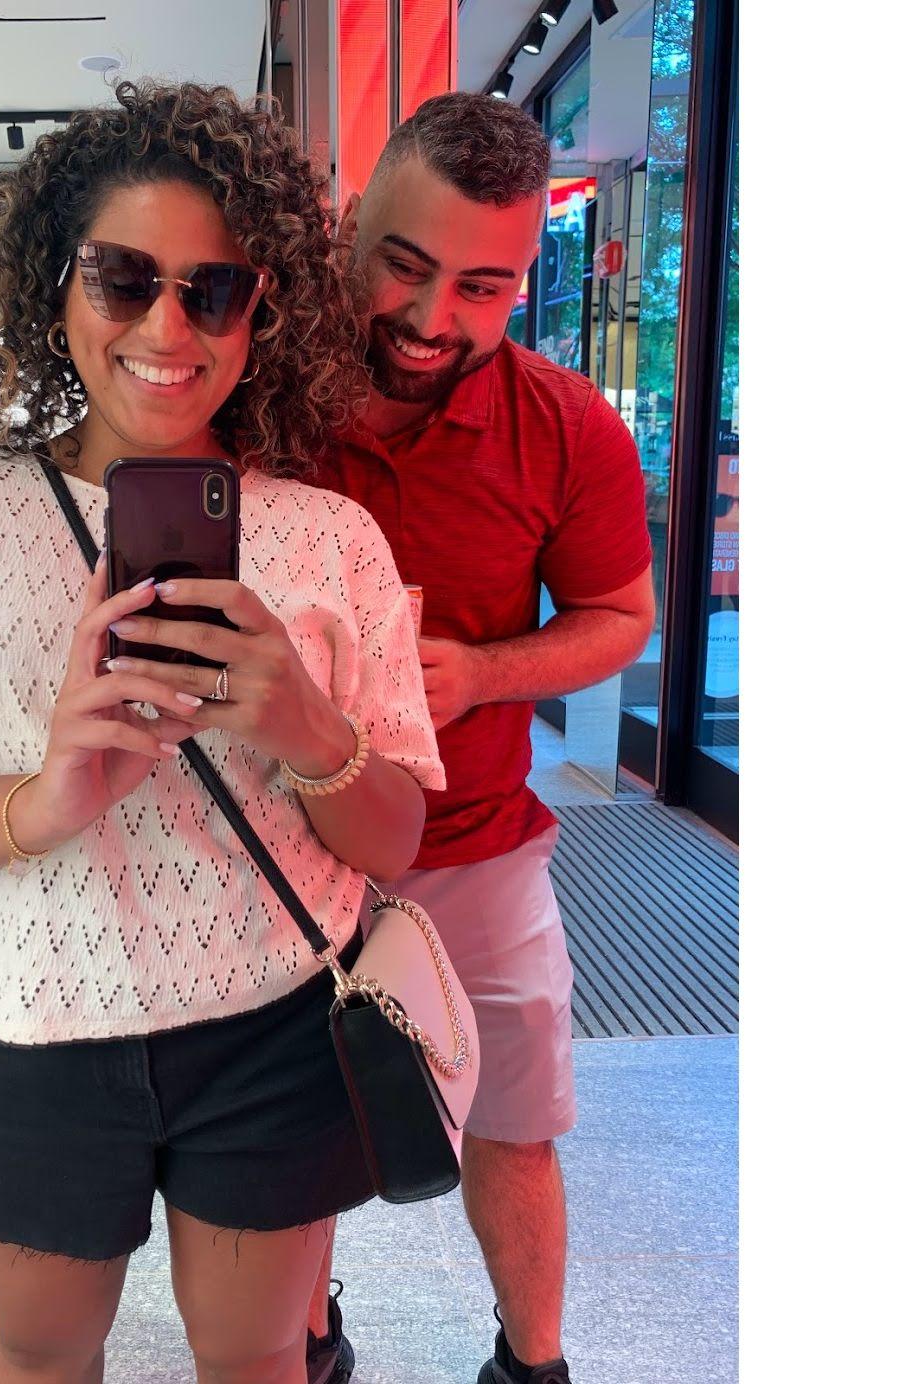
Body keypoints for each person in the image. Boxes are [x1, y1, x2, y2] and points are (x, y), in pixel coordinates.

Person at [0, 81, 445, 1384]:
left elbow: (399, 840)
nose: (166, 327)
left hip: (274, 1019)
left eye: (214, 290)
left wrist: (307, 725)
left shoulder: (332, 539)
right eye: (122, 279)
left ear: (264, 312)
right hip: (36, 1017)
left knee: (256, 1356)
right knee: (40, 1351)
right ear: (57, 289)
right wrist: (42, 801)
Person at [305, 93, 655, 1384]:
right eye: (403, 264)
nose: (431, 315)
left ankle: (533, 1364)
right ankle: (303, 1340)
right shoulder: (257, 396)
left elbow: (623, 615)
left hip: (477, 842)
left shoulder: (567, 428)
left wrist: (488, 673)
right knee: (278, 1133)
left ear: (523, 281)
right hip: (275, 850)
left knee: (514, 1120)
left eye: (483, 287)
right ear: (352, 227)